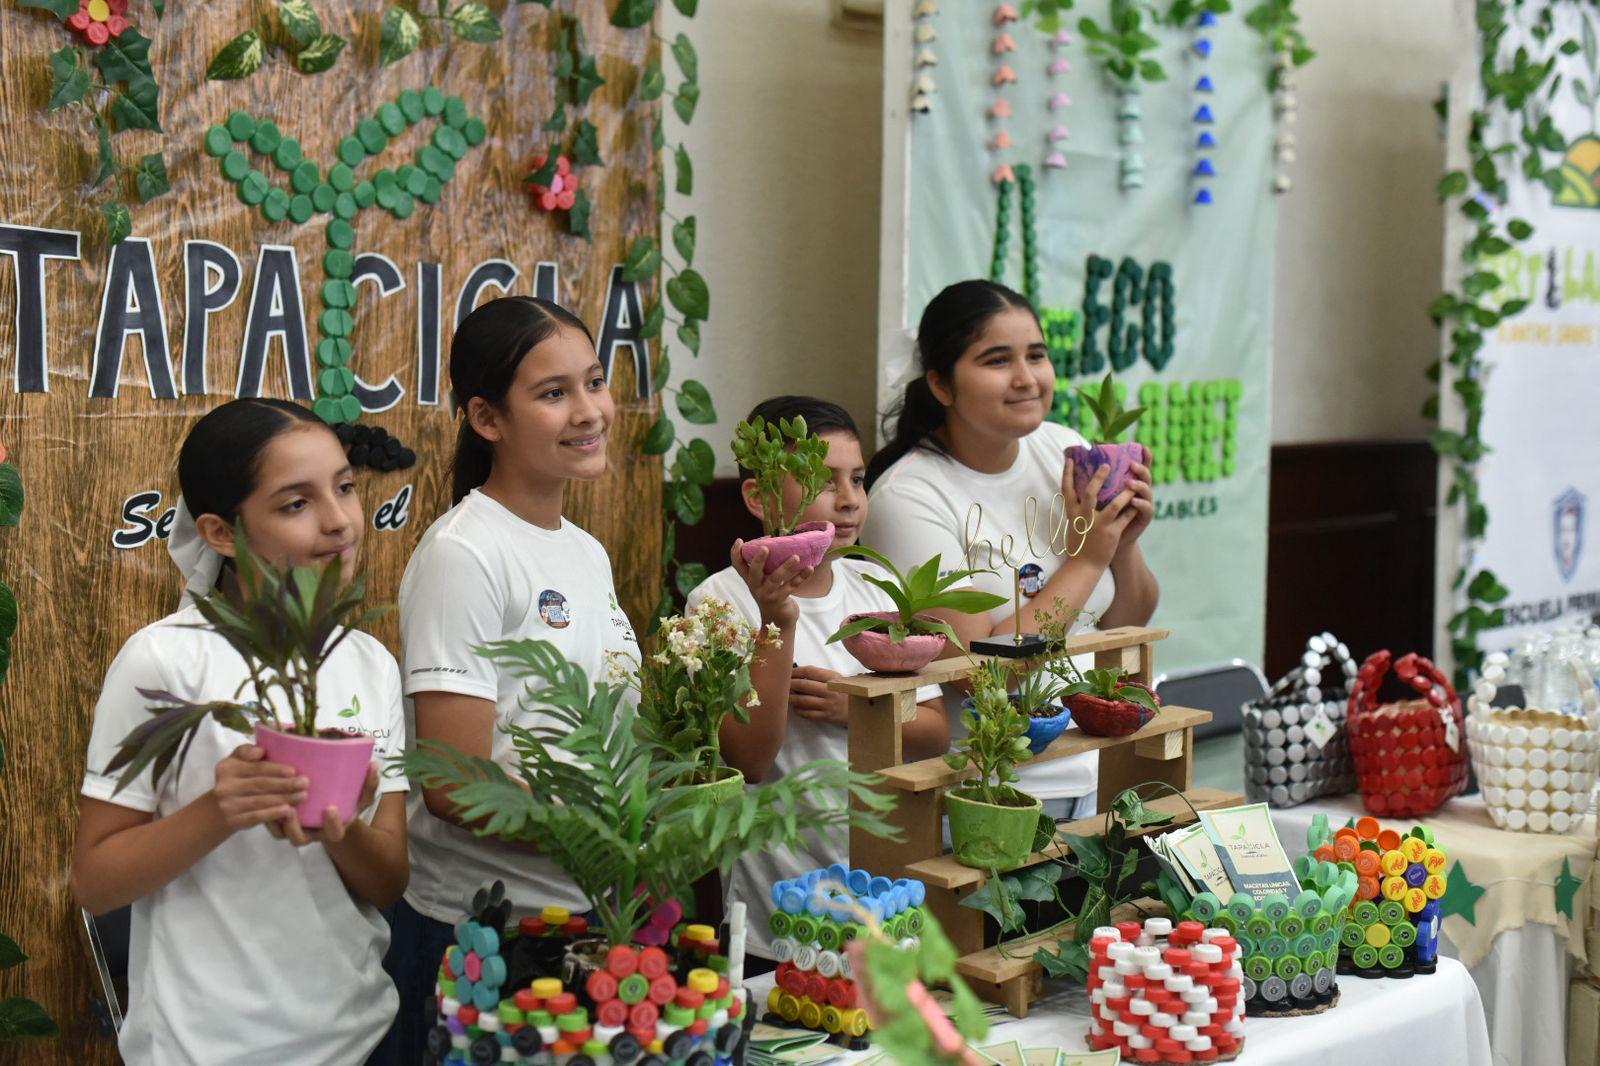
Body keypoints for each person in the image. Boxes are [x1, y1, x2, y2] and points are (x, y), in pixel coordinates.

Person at [72, 398, 409, 1065]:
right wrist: (220, 810)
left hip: (361, 1035)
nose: (340, 520)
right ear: (221, 533)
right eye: (295, 504)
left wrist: (342, 830)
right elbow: (96, 881)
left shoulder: (369, 663)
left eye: (344, 487)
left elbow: (390, 881)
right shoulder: (165, 660)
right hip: (205, 1047)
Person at [384, 296, 639, 1061]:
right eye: (554, 393)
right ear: (487, 418)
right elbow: (455, 782)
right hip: (483, 934)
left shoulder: (585, 552)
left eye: (594, 381)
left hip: (586, 919)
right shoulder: (465, 552)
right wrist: (608, 841)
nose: (589, 410)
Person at [862, 279, 1159, 819]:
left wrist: (1123, 547)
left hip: (1106, 770)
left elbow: (1126, 618)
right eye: (997, 360)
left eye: (1037, 355)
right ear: (942, 385)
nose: (1026, 379)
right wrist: (1089, 558)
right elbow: (982, 672)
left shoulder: (1060, 447)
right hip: (997, 797)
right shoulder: (907, 499)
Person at [687, 395, 946, 966]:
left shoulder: (876, 590)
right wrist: (775, 624)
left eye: (857, 478)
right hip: (775, 900)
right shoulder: (719, 600)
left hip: (880, 894)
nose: (850, 498)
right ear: (758, 497)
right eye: (822, 481)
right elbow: (747, 761)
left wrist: (858, 709)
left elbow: (935, 732)